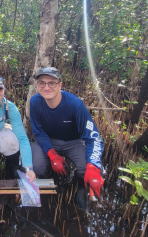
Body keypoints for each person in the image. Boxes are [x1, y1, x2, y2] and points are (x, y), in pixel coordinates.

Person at [30, 67, 104, 210]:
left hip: (74, 142)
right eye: (42, 83)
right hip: (49, 140)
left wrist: (93, 166)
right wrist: (52, 154)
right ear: (37, 85)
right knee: (36, 167)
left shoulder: (74, 105)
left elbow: (93, 138)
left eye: (51, 83)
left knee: (91, 170)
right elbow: (38, 132)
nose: (46, 87)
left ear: (60, 85)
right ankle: (49, 177)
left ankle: (81, 186)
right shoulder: (35, 102)